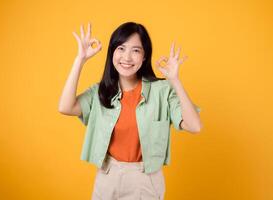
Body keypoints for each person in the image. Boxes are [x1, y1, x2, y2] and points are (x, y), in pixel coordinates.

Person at [58, 21, 202, 200]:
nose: (127, 57)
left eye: (135, 50)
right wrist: (80, 59)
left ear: (144, 56)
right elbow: (65, 107)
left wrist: (175, 81)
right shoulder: (101, 92)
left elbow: (194, 126)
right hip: (107, 176)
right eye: (121, 48)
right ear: (112, 52)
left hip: (145, 179)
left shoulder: (162, 90)